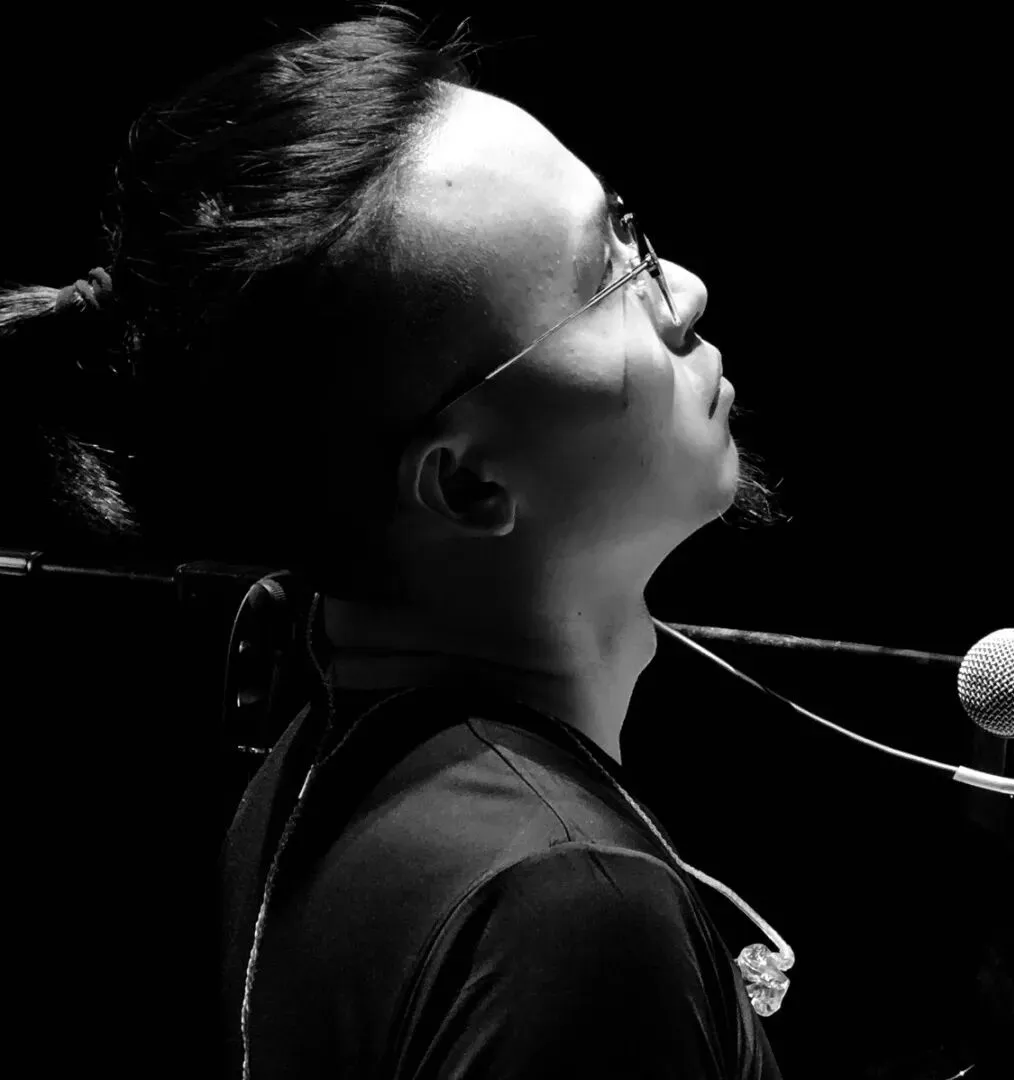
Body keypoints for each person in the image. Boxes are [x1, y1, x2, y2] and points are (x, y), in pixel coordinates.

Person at [2, 5, 788, 1076]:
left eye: (628, 227)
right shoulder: (568, 908)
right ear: (467, 484)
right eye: (609, 281)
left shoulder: (319, 760)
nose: (684, 291)